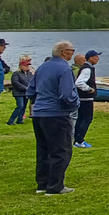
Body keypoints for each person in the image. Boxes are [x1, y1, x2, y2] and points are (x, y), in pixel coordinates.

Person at [27, 41, 80, 195]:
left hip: (39, 113)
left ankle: (42, 184)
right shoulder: (64, 68)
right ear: (64, 52)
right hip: (57, 114)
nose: (73, 53)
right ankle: (55, 186)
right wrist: (75, 104)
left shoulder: (43, 67)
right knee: (61, 150)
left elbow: (31, 91)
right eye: (72, 50)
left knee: (43, 149)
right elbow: (67, 94)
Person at [73, 50, 100, 148]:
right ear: (91, 58)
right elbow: (79, 83)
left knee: (80, 119)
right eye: (96, 57)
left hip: (82, 98)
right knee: (87, 119)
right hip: (86, 98)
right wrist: (89, 89)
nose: (98, 59)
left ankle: (76, 139)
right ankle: (79, 140)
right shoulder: (87, 69)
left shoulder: (88, 68)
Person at [7, 57, 33, 125]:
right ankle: (11, 120)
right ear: (21, 66)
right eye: (26, 66)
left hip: (26, 93)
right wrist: (25, 88)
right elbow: (15, 82)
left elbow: (32, 81)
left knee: (24, 107)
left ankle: (20, 120)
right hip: (18, 92)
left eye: (28, 66)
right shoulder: (16, 73)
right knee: (20, 106)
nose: (27, 67)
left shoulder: (29, 74)